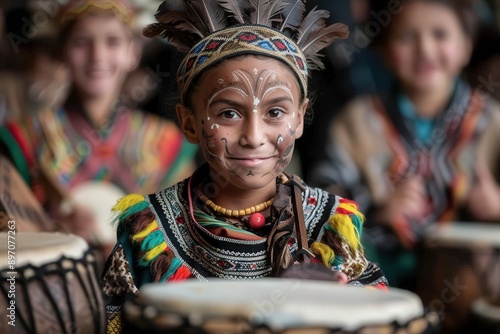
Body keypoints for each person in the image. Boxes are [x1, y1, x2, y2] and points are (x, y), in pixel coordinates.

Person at [100, 0, 389, 332]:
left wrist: (341, 302)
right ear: (190, 123)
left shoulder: (327, 225)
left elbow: (378, 312)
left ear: (299, 118)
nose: (253, 137)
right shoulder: (150, 228)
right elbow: (111, 320)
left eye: (275, 113)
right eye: (228, 114)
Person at [308, 0, 500, 289]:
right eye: (406, 37)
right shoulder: (356, 122)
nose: (424, 49)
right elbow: (324, 196)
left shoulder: (492, 122)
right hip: (382, 258)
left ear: (465, 46)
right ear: (384, 52)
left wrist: (495, 206)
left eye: (440, 35)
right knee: (342, 262)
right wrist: (376, 211)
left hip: (464, 270)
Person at [0, 0, 197, 251]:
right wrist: (49, 230)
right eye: (81, 42)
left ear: (132, 53)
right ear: (62, 51)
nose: (97, 56)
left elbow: (186, 234)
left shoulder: (165, 142)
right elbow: (9, 233)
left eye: (113, 41)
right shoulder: (23, 139)